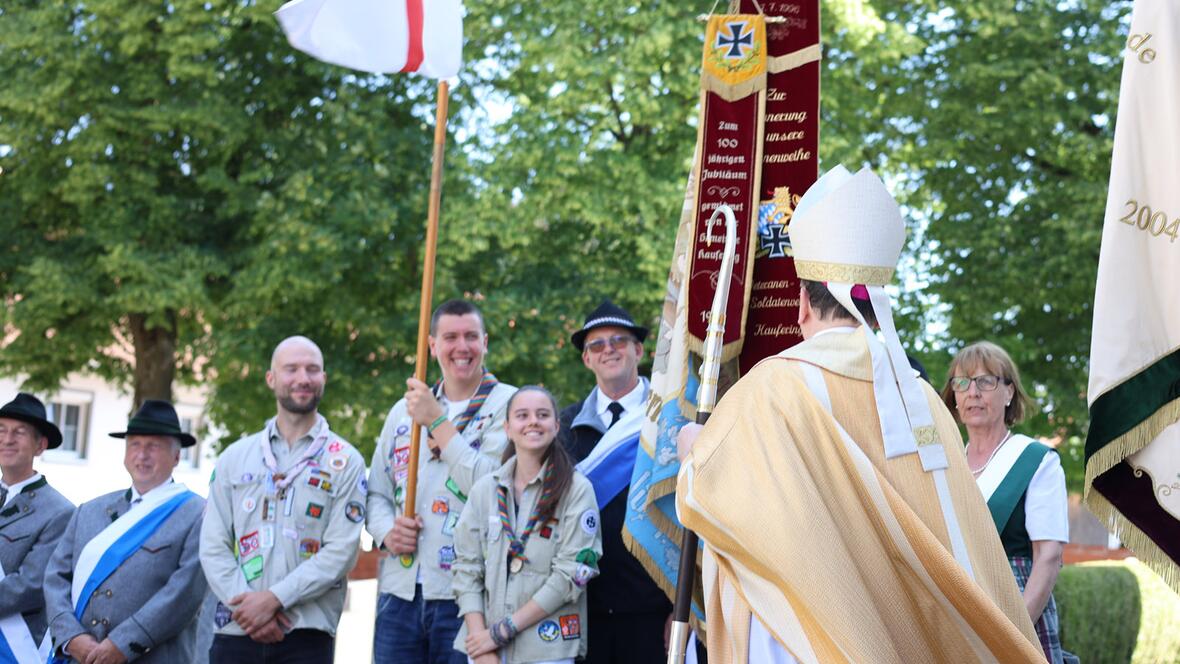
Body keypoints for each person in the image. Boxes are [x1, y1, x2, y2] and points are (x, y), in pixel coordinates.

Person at [675, 165, 1045, 663]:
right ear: (877, 309)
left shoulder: (770, 386)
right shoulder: (924, 400)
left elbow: (724, 505)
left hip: (805, 638)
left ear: (802, 305)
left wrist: (693, 453)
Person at [366, 299, 516, 664]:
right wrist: (387, 531)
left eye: (471, 336)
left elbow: (495, 489)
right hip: (400, 594)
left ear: (486, 342)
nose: (461, 347)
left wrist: (438, 423)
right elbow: (376, 493)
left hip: (470, 598)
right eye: (450, 337)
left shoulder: (512, 406)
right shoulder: (404, 411)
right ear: (432, 346)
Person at [200, 336, 366, 663]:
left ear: (323, 379)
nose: (302, 378)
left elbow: (341, 552)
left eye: (312, 369)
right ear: (271, 378)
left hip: (305, 633)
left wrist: (275, 599)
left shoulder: (346, 461)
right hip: (237, 628)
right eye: (291, 369)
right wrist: (248, 607)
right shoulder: (235, 458)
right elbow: (212, 544)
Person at [44, 400, 206, 664]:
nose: (141, 455)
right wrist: (71, 637)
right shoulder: (90, 510)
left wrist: (122, 644)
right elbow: (55, 578)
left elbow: (183, 594)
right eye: (135, 445)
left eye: (153, 446)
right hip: (79, 657)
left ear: (177, 457)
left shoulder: (198, 513)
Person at [452, 386, 602, 664]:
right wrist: (481, 644)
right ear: (508, 428)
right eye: (522, 415)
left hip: (547, 649)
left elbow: (573, 573)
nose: (533, 421)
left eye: (542, 415)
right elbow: (466, 567)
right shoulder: (485, 490)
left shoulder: (577, 490)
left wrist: (501, 632)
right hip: (486, 651)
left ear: (556, 426)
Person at [942, 341, 1069, 664]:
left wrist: (1013, 631)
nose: (973, 393)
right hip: (956, 614)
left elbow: (1049, 556)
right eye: (962, 383)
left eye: (986, 381)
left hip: (1018, 610)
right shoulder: (944, 462)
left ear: (1009, 392)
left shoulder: (1036, 460)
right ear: (953, 397)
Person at [558, 300, 670, 664]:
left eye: (619, 341)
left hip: (653, 610)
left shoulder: (670, 418)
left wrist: (682, 606)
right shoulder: (563, 427)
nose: (609, 349)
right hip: (583, 607)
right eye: (597, 345)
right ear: (586, 359)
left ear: (639, 350)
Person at [0, 393, 75, 663]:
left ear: (40, 445)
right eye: (2, 430)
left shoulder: (60, 512)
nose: (7, 439)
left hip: (14, 648)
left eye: (19, 432)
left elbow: (30, 586)